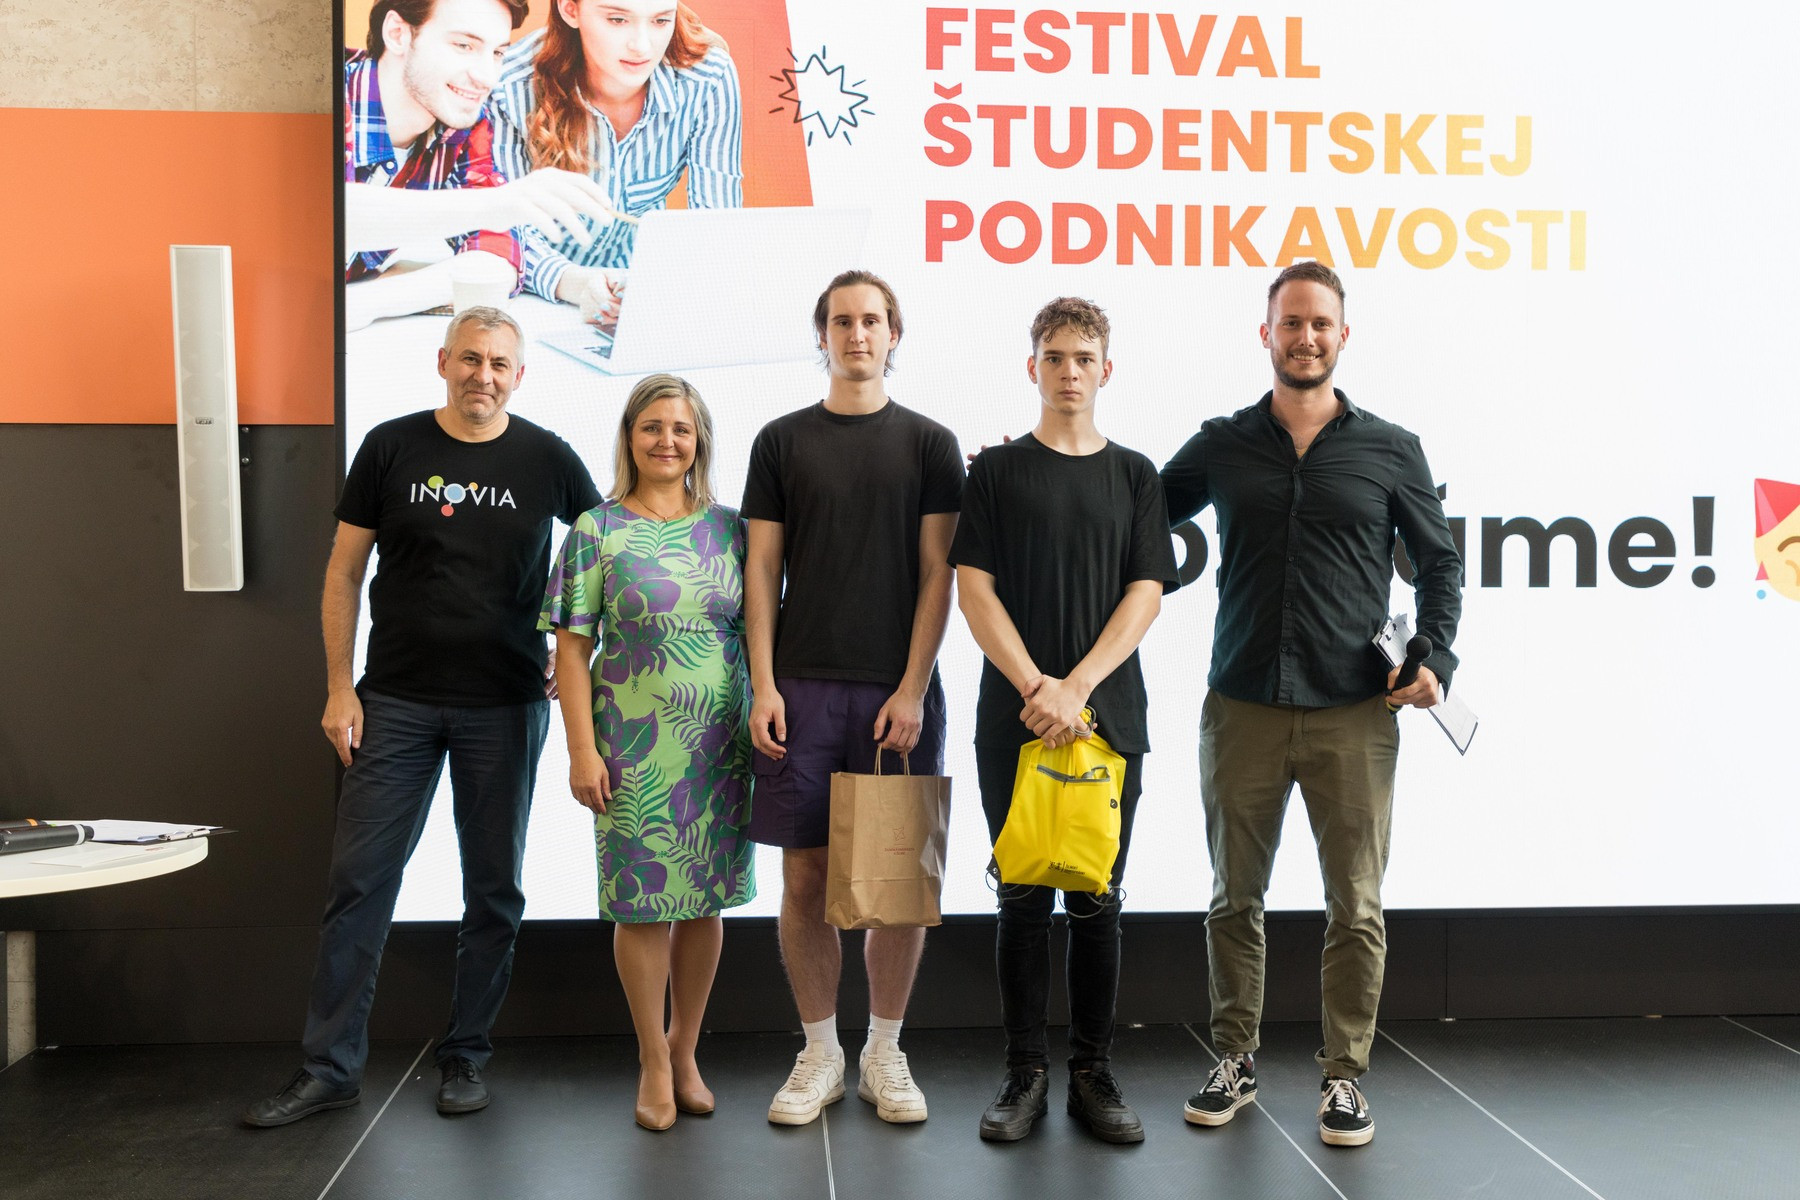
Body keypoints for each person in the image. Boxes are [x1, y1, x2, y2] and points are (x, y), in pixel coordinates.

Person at [244, 306, 601, 1127]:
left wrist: (575, 646)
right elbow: (343, 572)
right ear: (444, 362)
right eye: (470, 359)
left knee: (493, 892)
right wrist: (340, 687)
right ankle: (329, 1069)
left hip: (505, 706)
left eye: (499, 364)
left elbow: (609, 555)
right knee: (359, 885)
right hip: (395, 703)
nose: (483, 376)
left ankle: (465, 1056)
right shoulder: (390, 446)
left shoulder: (546, 457)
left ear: (520, 376)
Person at [1160, 261, 1463, 1147]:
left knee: (1355, 907)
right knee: (1233, 900)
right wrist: (1037, 477)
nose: (1305, 337)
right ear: (1267, 334)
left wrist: (1438, 656)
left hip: (1354, 712)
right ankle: (1233, 1059)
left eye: (1320, 323)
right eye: (1291, 323)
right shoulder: (1222, 443)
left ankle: (1344, 1078)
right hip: (1242, 704)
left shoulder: (1392, 448)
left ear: (1342, 335)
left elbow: (1439, 562)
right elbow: (1131, 509)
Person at [951, 298, 1177, 1145]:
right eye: (1055, 357)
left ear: (1106, 370)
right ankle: (1025, 1073)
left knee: (1096, 899)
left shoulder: (1136, 476)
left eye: (1084, 358)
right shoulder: (996, 473)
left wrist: (1076, 688)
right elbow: (975, 593)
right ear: (1033, 367)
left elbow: (1145, 594)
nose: (1070, 371)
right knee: (1019, 899)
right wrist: (1036, 688)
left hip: (1108, 720)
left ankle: (1092, 1072)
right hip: (1013, 720)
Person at [741, 270, 963, 1126]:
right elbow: (763, 569)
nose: (857, 333)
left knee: (895, 886)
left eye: (872, 320)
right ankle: (820, 1052)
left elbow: (939, 573)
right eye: (842, 320)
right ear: (822, 334)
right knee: (805, 878)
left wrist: (913, 687)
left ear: (893, 333)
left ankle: (885, 1052)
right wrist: (764, 683)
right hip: (799, 691)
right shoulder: (780, 441)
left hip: (893, 697)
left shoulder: (931, 444)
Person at [540, 374, 755, 1131]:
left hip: (719, 741)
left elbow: (757, 633)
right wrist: (581, 751)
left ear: (700, 442)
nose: (667, 441)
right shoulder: (596, 529)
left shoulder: (733, 530)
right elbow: (572, 650)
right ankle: (652, 1061)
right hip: (630, 743)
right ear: (630, 438)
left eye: (681, 429)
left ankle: (686, 1050)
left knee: (704, 903)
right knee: (641, 905)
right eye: (652, 427)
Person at [342, 0, 623, 330]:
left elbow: (500, 256)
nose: (487, 77)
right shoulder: (320, 96)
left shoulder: (461, 127)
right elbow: (322, 213)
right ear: (397, 34)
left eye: (497, 53)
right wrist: (497, 204)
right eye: (464, 45)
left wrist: (369, 302)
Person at [489, 1, 742, 326]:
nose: (642, 46)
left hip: (638, 301)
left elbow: (717, 226)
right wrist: (579, 285)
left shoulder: (707, 76)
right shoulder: (508, 84)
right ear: (569, 9)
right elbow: (505, 230)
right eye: (618, 19)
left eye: (660, 21)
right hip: (531, 302)